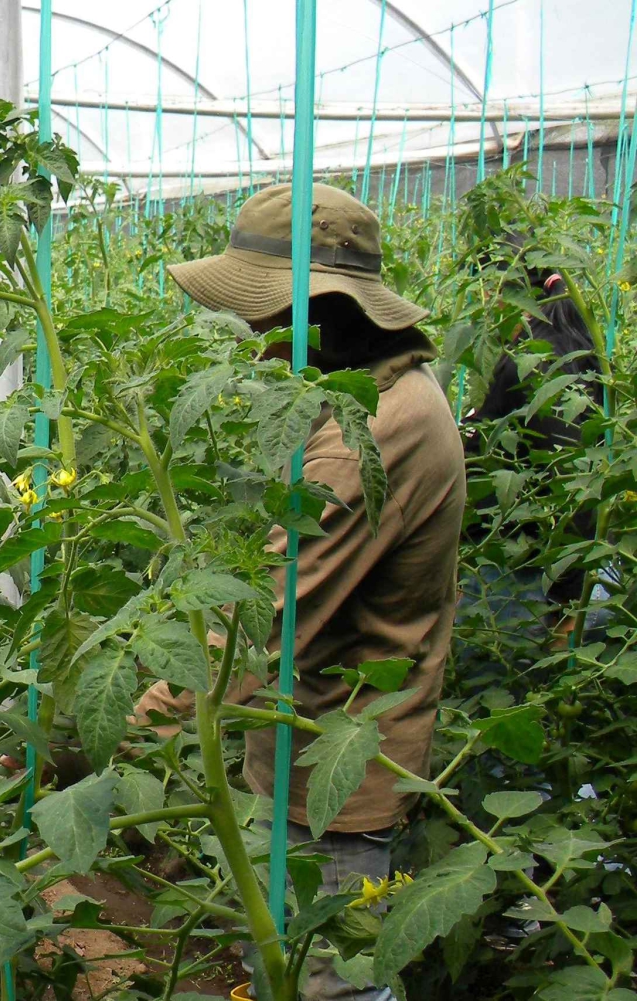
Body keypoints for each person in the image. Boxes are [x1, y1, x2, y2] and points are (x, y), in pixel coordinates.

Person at [135, 183, 467, 1001]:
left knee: (329, 984)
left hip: (337, 782)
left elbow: (263, 625)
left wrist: (108, 736)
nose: (253, 335)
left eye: (263, 313)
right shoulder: (368, 393)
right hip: (306, 751)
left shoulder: (374, 431)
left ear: (319, 309)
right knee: (284, 965)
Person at [460, 237, 604, 640]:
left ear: (499, 290)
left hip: (523, 581)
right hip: (520, 571)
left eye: (483, 288)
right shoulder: (546, 346)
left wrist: (566, 608)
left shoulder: (540, 363)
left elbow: (573, 483)